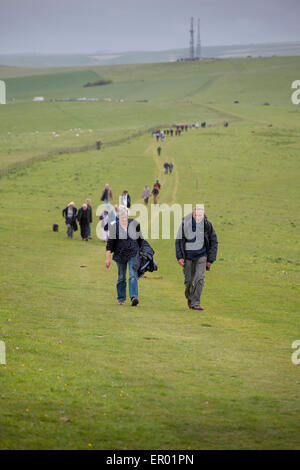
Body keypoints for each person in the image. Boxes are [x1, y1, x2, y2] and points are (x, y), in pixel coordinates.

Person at [175, 205, 218, 310]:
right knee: (189, 280)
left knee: (199, 279)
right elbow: (178, 241)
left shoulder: (207, 225)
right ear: (193, 214)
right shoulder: (185, 224)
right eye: (197, 214)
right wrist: (179, 257)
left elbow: (214, 242)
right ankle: (189, 298)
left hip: (202, 256)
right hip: (188, 257)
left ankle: (196, 303)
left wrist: (210, 259)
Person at [105, 205, 142, 306]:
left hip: (133, 253)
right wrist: (107, 259)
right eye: (121, 216)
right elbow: (109, 245)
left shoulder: (134, 224)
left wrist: (142, 252)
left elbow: (140, 239)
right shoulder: (114, 227)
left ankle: (134, 297)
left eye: (125, 215)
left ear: (127, 214)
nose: (124, 217)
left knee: (132, 274)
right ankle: (121, 298)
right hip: (120, 255)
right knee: (121, 277)